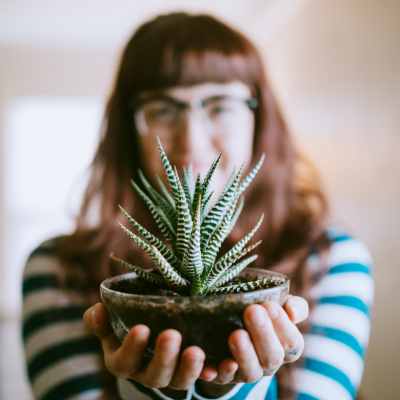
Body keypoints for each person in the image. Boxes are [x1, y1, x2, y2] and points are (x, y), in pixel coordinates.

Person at [21, 11, 374, 400]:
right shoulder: (56, 268)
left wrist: (234, 389)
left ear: (260, 118)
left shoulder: (331, 258)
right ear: (128, 129)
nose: (191, 142)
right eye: (162, 108)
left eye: (220, 105)